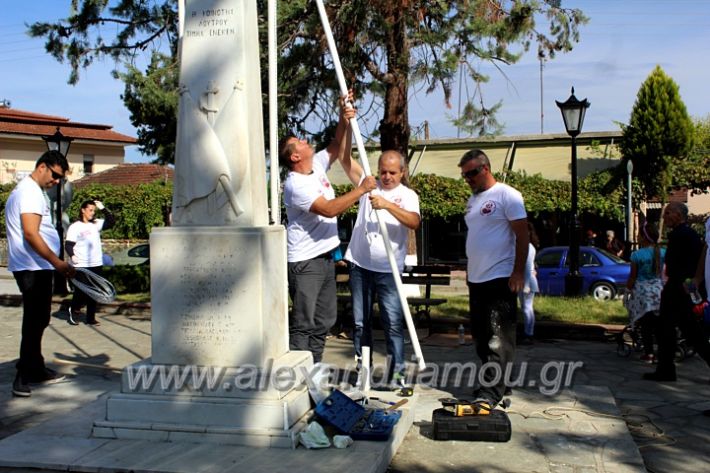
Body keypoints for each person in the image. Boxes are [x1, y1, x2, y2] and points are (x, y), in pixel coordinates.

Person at [279, 94, 376, 363]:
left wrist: (343, 116)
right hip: (304, 261)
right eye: (298, 142)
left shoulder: (316, 166)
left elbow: (336, 145)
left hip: (324, 259)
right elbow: (330, 209)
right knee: (305, 321)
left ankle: (315, 370)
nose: (304, 140)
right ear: (296, 155)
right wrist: (361, 190)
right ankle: (299, 374)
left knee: (325, 319)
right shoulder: (296, 184)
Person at [344, 150, 421, 385]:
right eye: (383, 172)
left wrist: (386, 205)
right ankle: (363, 372)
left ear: (402, 172)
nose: (386, 177)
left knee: (392, 323)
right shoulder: (368, 184)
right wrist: (345, 120)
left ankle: (397, 375)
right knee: (360, 323)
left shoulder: (407, 195)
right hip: (360, 265)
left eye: (392, 172)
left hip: (389, 270)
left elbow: (414, 222)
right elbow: (345, 159)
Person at [459, 149, 529, 407]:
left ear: (486, 169)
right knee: (480, 336)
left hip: (500, 276)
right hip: (477, 278)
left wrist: (518, 271)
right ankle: (501, 382)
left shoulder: (507, 195)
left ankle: (489, 393)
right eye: (464, 175)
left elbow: (522, 235)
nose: (469, 179)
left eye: (472, 173)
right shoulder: (472, 200)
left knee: (498, 337)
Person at [5, 150, 75, 397]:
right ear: (43, 167)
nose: (56, 182)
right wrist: (57, 262)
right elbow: (31, 233)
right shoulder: (30, 193)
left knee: (40, 318)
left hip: (36, 266)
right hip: (33, 266)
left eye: (60, 179)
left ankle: (34, 367)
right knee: (34, 320)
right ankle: (23, 375)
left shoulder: (30, 191)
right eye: (55, 175)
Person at [643, 203, 710, 382]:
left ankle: (666, 369)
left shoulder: (684, 235)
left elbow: (689, 265)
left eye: (668, 213)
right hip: (677, 287)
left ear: (679, 215)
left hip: (679, 288)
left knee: (684, 331)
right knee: (673, 330)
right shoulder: (683, 235)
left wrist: (687, 288)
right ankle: (665, 369)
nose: (665, 217)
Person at [64, 200, 114, 325]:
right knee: (81, 291)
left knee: (94, 291)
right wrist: (72, 255)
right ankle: (74, 309)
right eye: (90, 210)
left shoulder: (96, 224)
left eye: (94, 210)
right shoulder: (75, 227)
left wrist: (103, 208)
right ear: (83, 210)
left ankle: (90, 318)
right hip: (81, 264)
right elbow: (68, 245)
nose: (92, 213)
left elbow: (111, 222)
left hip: (96, 263)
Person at [625, 221, 665, 363]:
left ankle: (649, 353)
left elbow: (633, 276)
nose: (637, 237)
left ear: (644, 237)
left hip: (643, 292)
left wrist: (627, 290)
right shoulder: (663, 253)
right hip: (659, 290)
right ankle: (662, 352)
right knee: (660, 325)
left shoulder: (637, 255)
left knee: (645, 325)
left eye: (639, 234)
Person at [519, 222, 539, 345]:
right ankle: (529, 332)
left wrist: (525, 285)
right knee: (528, 308)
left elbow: (526, 267)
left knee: (526, 308)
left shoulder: (527, 247)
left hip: (527, 281)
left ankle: (529, 333)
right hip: (529, 280)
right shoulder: (529, 246)